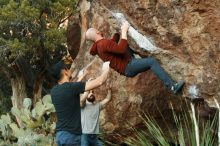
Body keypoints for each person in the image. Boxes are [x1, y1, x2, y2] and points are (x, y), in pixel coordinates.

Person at [85, 22, 184, 94]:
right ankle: (172, 87)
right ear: (97, 32)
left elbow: (112, 45)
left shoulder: (99, 47)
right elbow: (121, 50)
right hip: (128, 66)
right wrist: (124, 31)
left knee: (126, 43)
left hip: (127, 67)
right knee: (151, 62)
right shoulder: (103, 43)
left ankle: (139, 56)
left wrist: (117, 34)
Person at [50, 56, 110, 146]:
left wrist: (82, 77)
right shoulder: (72, 88)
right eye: (68, 68)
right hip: (72, 136)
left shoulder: (54, 91)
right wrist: (107, 68)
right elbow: (100, 81)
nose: (70, 70)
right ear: (65, 71)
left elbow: (70, 88)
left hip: (60, 135)